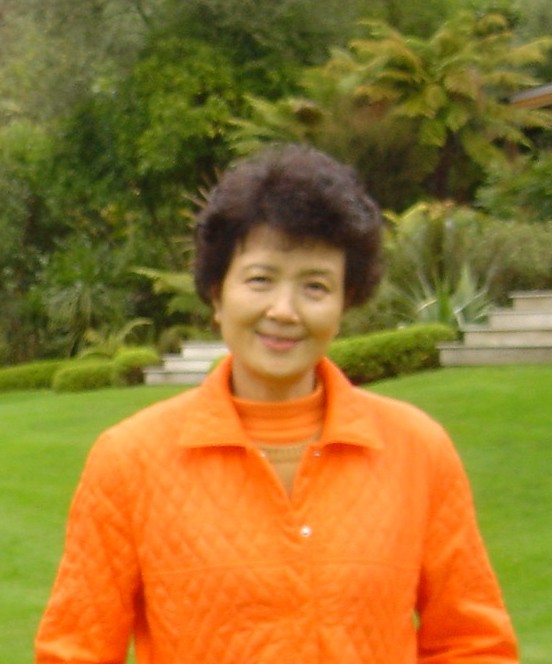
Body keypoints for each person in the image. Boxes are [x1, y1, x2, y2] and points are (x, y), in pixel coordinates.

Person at [35, 144, 518, 663]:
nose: (284, 311)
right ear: (217, 293)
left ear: (345, 301)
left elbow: (474, 645)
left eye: (315, 286)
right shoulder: (129, 462)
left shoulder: (418, 451)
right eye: (260, 279)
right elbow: (75, 651)